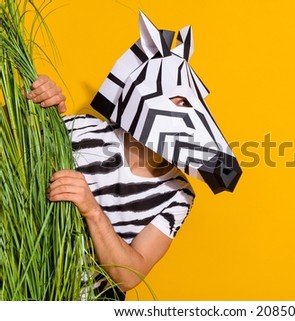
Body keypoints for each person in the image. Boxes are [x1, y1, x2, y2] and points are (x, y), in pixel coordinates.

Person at [27, 75, 195, 300]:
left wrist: (92, 210)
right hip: (26, 288)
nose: (172, 110)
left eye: (184, 103)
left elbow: (128, 278)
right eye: (166, 97)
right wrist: (30, 101)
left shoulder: (179, 193)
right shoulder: (81, 129)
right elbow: (15, 148)